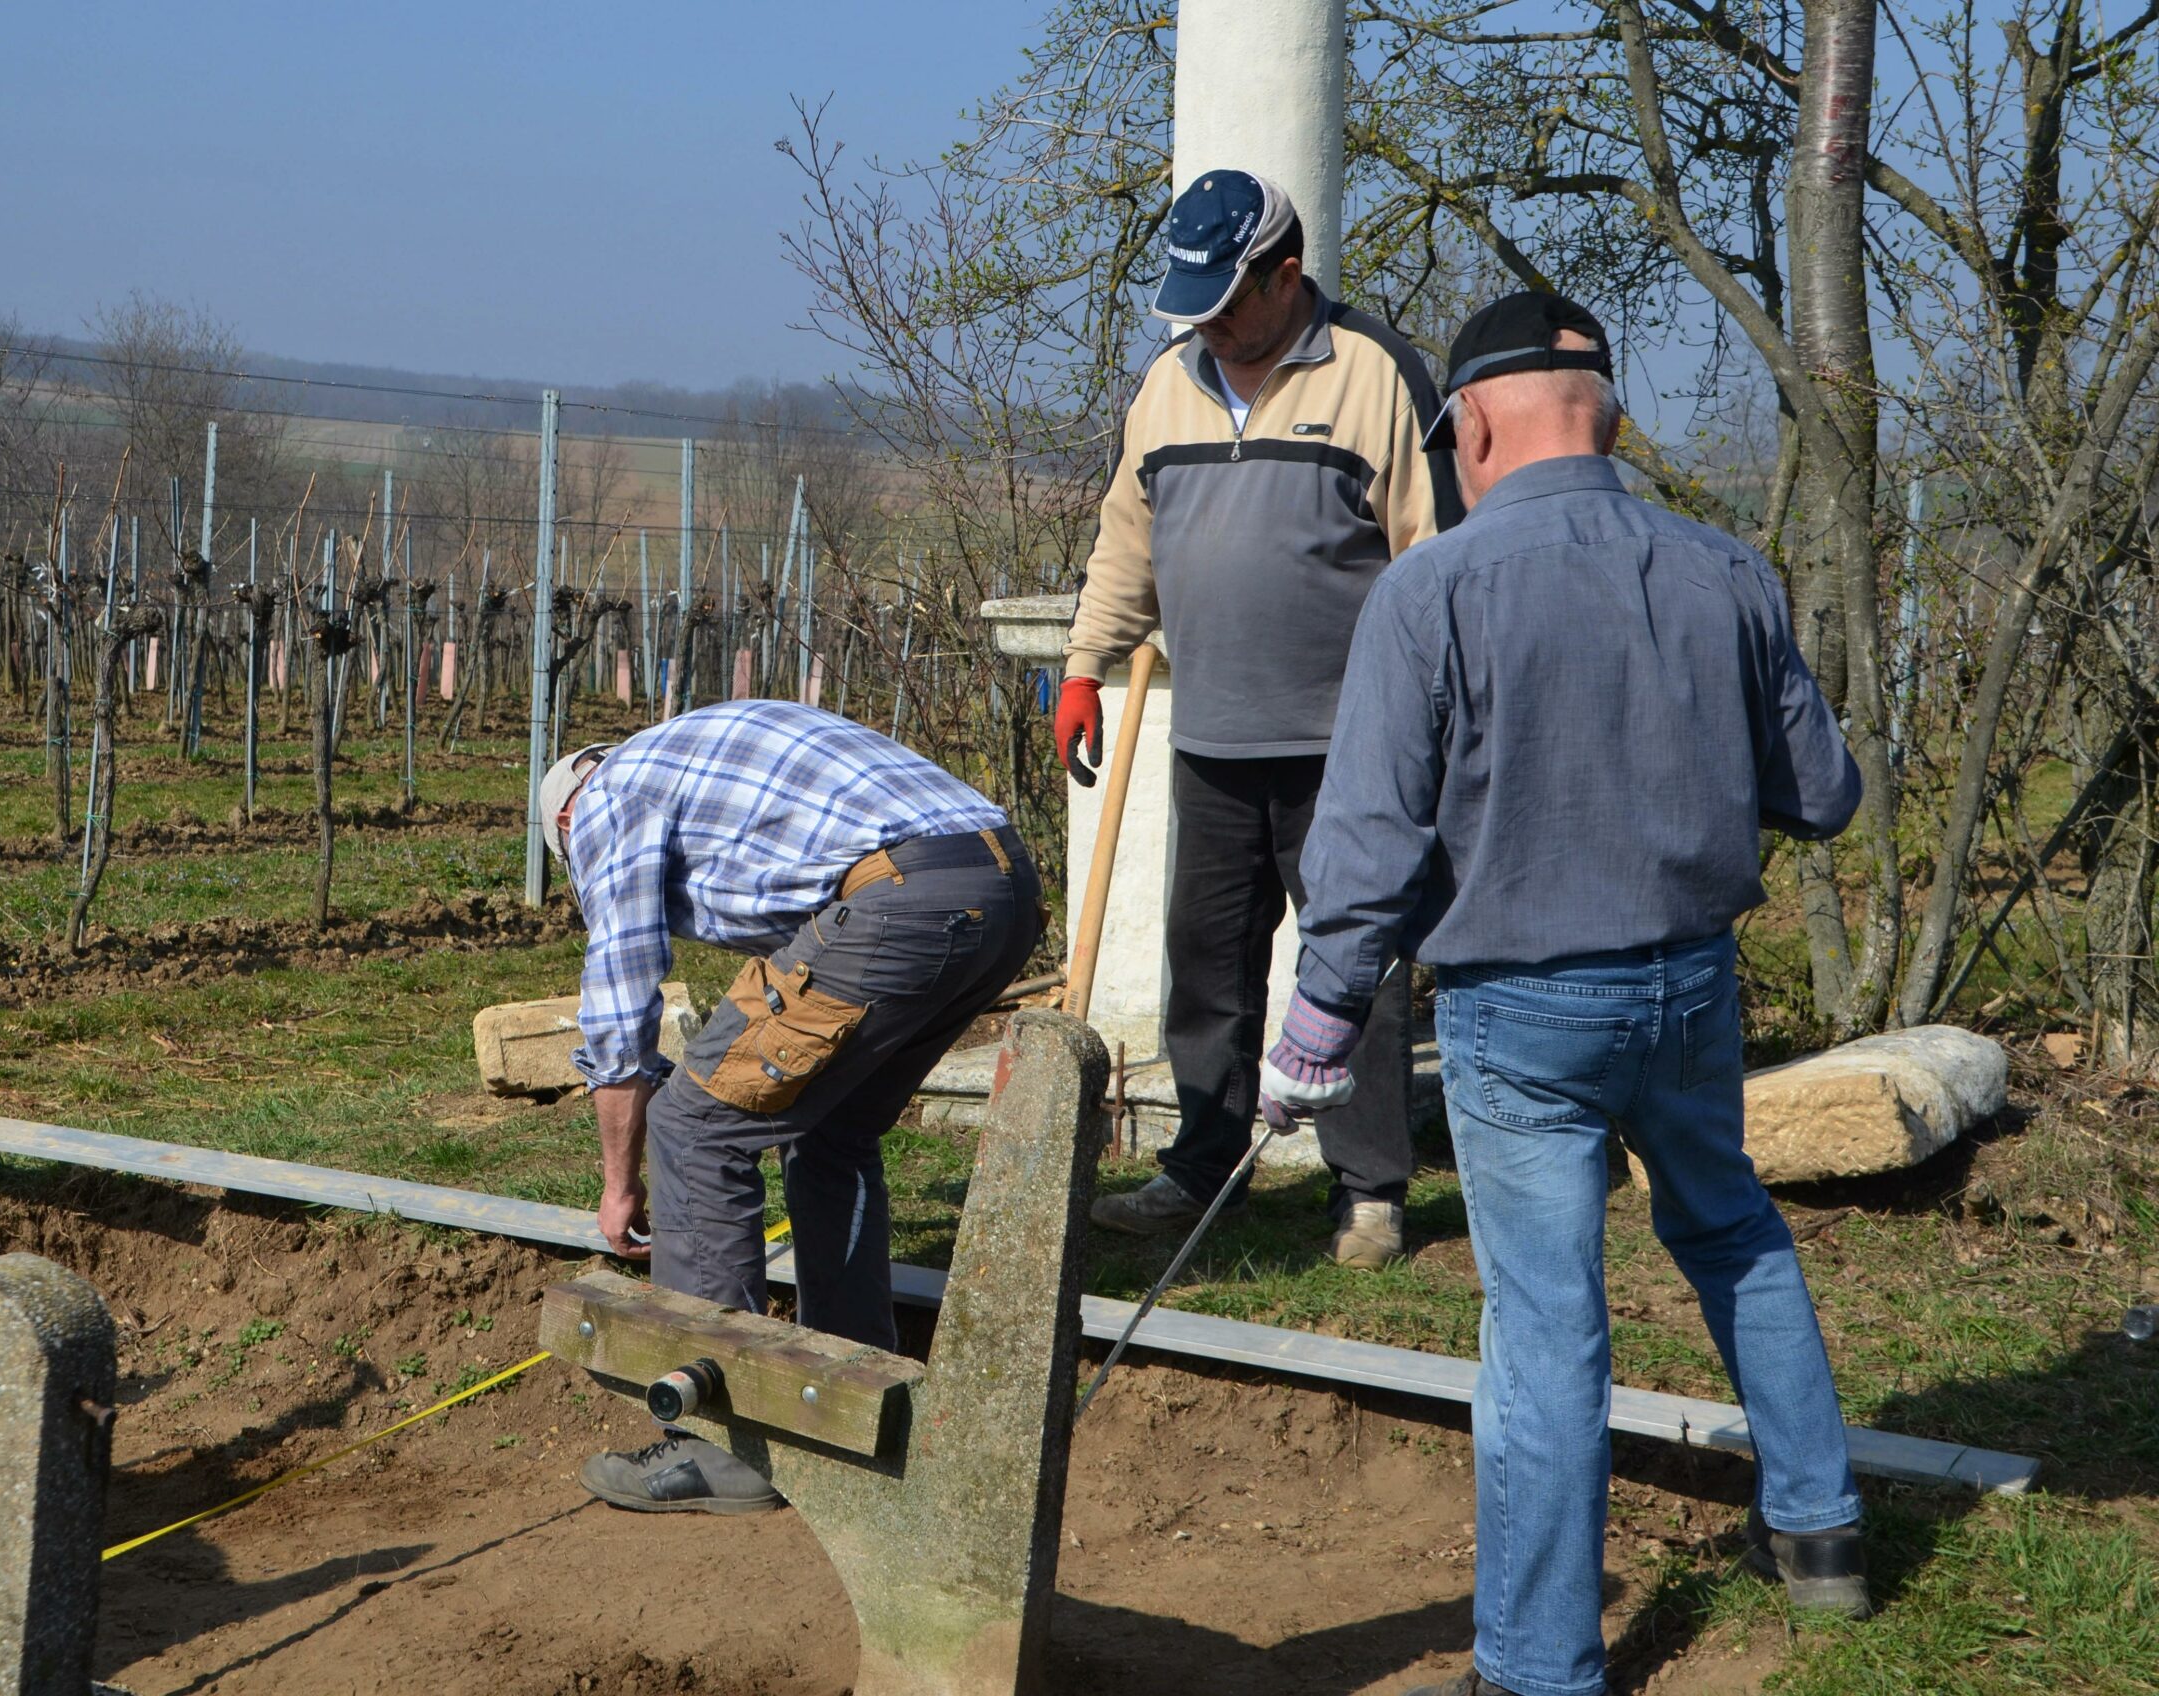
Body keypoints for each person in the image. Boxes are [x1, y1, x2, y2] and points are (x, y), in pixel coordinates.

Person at [1260, 292, 1873, 1696]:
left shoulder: (1432, 590)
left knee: (1544, 1326)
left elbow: (1367, 842)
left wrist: (1315, 1031)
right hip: (1691, 988)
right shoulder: (1727, 570)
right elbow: (1824, 794)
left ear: (1474, 423)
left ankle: (1539, 1666)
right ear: (1609, 416)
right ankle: (1822, 1533)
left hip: (1521, 1011)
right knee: (1733, 1232)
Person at [1060, 167, 1462, 1265]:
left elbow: (1434, 558)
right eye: (1194, 305)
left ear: (1287, 276)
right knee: (1206, 965)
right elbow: (1126, 544)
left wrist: (1430, 720)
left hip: (1351, 745)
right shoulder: (1166, 386)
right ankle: (1201, 1168)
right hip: (1213, 741)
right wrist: (1084, 667)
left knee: (1356, 961)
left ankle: (1368, 1190)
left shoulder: (1376, 373)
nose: (1212, 325)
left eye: (1229, 301)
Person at [544, 700, 1042, 1514]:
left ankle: (723, 1444)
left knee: (692, 1125)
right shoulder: (694, 752)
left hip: (904, 896)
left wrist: (618, 1183)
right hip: (1004, 884)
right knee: (831, 1125)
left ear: (566, 822)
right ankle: (853, 1398)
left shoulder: (606, 800)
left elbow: (621, 1000)